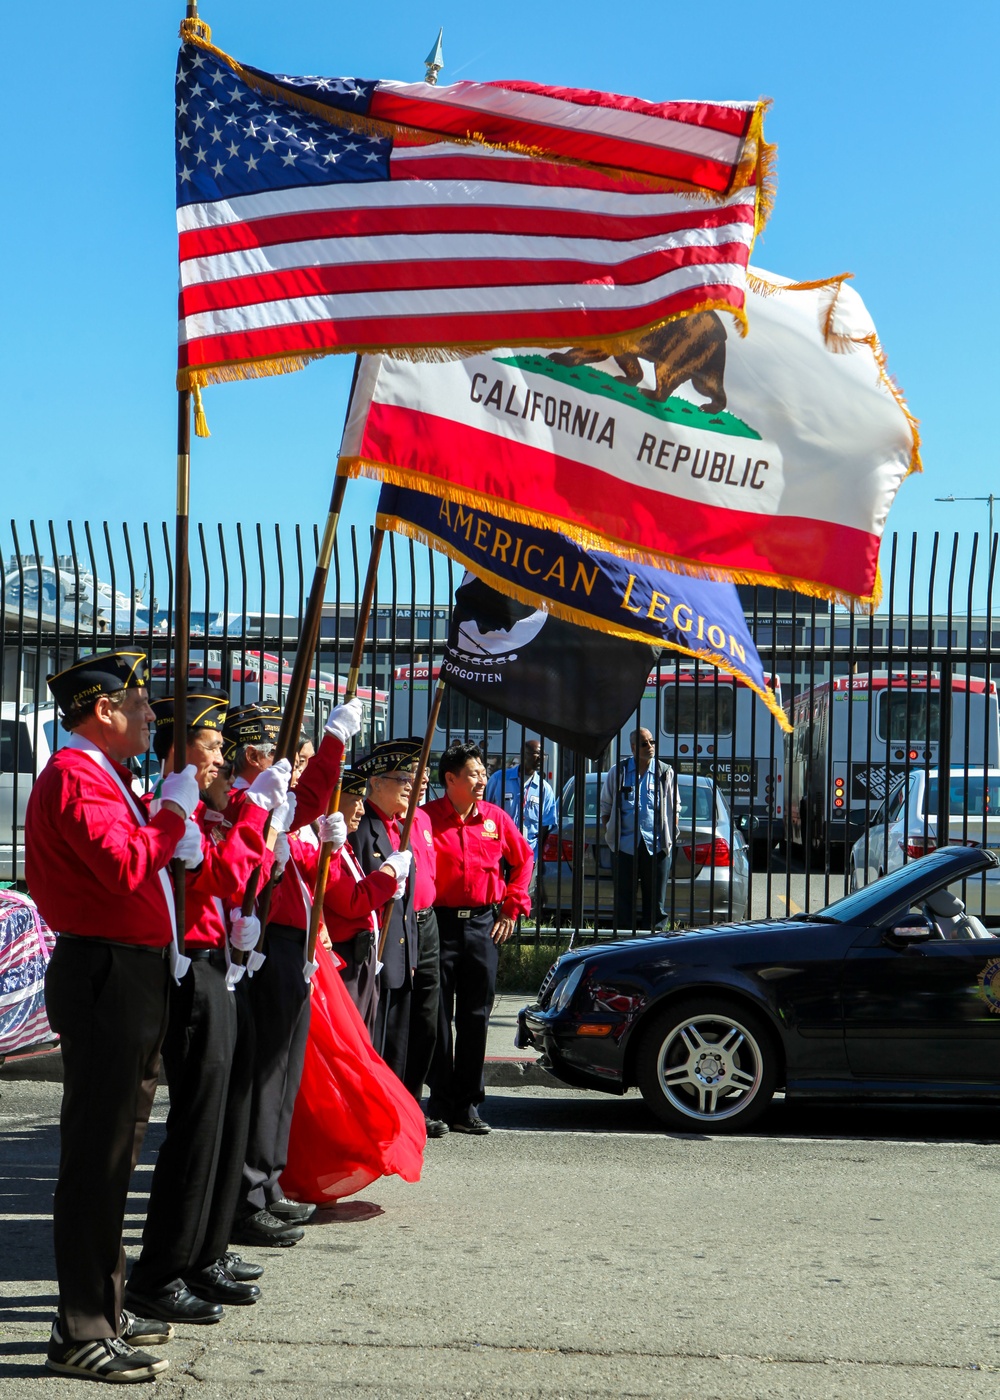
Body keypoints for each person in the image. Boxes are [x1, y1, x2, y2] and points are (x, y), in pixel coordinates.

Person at [26, 650, 200, 1383]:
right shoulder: (74, 776)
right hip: (105, 974)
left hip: (128, 971)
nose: (152, 715)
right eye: (142, 703)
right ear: (104, 709)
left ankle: (105, 1302)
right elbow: (125, 864)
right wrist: (171, 812)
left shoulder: (101, 774)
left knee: (116, 1153)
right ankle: (80, 1329)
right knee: (98, 1157)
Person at [124, 689, 284, 1327]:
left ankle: (203, 1252)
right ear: (177, 748)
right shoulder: (169, 806)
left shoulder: (202, 801)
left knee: (226, 1117)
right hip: (189, 967)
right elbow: (219, 874)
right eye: (210, 745)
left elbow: (237, 879)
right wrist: (254, 826)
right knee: (196, 1126)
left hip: (218, 957)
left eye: (221, 746)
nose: (219, 758)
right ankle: (163, 1269)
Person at [227, 696, 363, 1249]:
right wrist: (332, 741)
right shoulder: (247, 799)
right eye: (287, 753)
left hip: (289, 942)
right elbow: (304, 799)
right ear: (257, 754)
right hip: (264, 945)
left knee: (281, 1073)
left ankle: (269, 1180)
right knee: (262, 1076)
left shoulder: (267, 799)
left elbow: (304, 807)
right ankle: (249, 1191)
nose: (295, 766)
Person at [424, 741, 533, 1135]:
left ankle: (467, 1105)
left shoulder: (496, 819)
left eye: (483, 772)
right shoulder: (426, 819)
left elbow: (523, 860)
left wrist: (511, 906)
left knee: (475, 1016)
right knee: (436, 1016)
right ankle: (437, 1103)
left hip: (482, 926)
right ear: (450, 779)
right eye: (473, 773)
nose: (483, 778)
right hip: (437, 924)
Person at [351, 741, 420, 1080]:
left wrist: (412, 957)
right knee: (375, 1050)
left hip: (399, 956)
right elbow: (356, 894)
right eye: (402, 779)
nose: (410, 785)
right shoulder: (362, 829)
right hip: (374, 956)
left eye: (410, 779)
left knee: (398, 1051)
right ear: (376, 782)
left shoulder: (398, 827)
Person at [600, 728, 679, 931]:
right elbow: (605, 806)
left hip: (657, 846)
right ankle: (624, 944)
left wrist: (671, 834)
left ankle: (653, 943)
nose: (650, 747)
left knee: (655, 905)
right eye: (645, 743)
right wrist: (610, 831)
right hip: (625, 846)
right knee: (624, 901)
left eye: (652, 742)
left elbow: (675, 807)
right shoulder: (619, 772)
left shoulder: (664, 772)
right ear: (633, 747)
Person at [483, 739, 557, 908]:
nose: (539, 759)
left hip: (526, 851)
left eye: (541, 756)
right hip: (498, 849)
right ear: (523, 755)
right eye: (534, 754)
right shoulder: (499, 779)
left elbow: (546, 824)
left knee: (518, 895)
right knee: (495, 892)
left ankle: (516, 928)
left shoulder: (544, 788)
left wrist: (535, 851)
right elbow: (484, 810)